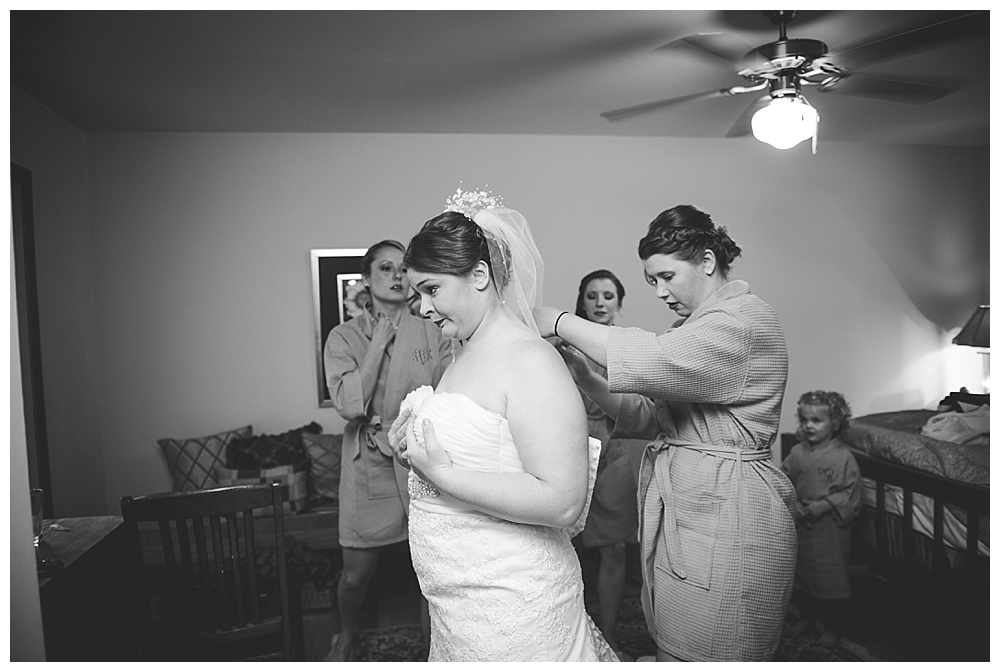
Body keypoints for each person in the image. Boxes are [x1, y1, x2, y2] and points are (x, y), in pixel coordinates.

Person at [535, 204, 797, 662]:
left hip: (730, 504)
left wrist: (560, 322)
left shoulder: (745, 320)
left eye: (667, 277)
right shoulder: (692, 328)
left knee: (721, 640)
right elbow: (650, 416)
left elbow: (656, 358)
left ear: (708, 262)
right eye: (651, 281)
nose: (659, 292)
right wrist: (584, 374)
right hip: (691, 499)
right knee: (681, 632)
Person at [388, 190, 617, 662]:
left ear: (479, 275)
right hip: (460, 604)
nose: (423, 307)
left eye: (431, 289)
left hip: (514, 604)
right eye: (418, 294)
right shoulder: (462, 355)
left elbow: (562, 502)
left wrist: (442, 474)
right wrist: (409, 448)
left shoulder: (531, 361)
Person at [322, 239, 451, 661]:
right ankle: (347, 630)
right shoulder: (343, 337)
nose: (397, 276)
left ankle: (433, 649)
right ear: (366, 279)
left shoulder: (433, 331)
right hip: (368, 461)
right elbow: (347, 405)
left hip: (416, 459)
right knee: (356, 575)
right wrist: (379, 339)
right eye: (386, 268)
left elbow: (449, 393)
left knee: (428, 570)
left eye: (402, 269)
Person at [565, 269, 639, 656]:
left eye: (608, 297)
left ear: (619, 303)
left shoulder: (631, 347)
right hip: (570, 450)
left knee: (614, 549)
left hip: (615, 452)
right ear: (582, 301)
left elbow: (639, 405)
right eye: (592, 296)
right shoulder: (563, 346)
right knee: (568, 549)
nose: (599, 304)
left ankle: (608, 636)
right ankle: (573, 639)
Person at [781, 390, 862, 648]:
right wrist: (793, 503)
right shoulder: (796, 452)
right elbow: (783, 482)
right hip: (802, 526)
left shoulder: (843, 457)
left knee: (831, 580)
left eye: (817, 421)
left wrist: (824, 505)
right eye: (805, 420)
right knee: (804, 576)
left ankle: (834, 626)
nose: (808, 426)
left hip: (829, 531)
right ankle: (808, 617)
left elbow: (852, 495)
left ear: (835, 423)